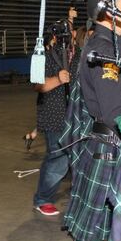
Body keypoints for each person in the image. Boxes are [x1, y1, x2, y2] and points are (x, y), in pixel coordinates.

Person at [61, 0, 121, 241]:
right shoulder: (104, 49)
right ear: (107, 13)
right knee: (104, 221)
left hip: (109, 143)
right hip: (113, 143)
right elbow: (115, 110)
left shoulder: (113, 45)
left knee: (106, 220)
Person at [32, 24, 78, 216]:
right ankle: (43, 199)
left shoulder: (73, 54)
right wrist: (58, 79)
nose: (70, 37)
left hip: (74, 111)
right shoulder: (40, 54)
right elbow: (37, 85)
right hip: (53, 113)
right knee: (57, 158)